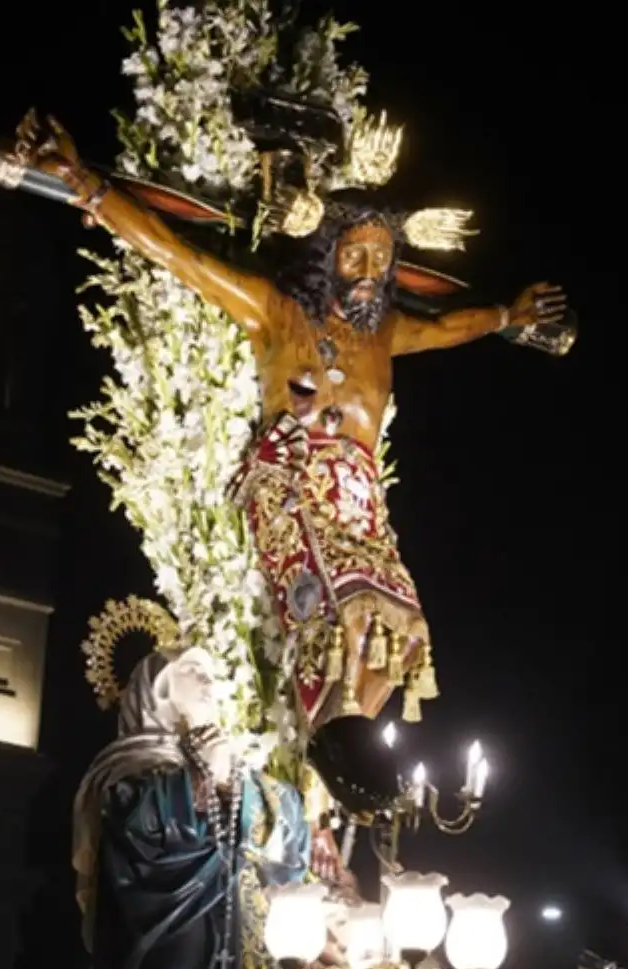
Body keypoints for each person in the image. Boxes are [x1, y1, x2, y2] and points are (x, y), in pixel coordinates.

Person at [29, 116, 567, 727]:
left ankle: (339, 748)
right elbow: (176, 254)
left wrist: (506, 314)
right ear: (327, 255)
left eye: (381, 259)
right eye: (355, 254)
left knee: (405, 633)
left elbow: (449, 327)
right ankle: (320, 736)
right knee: (345, 615)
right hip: (292, 482)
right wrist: (82, 181)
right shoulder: (277, 313)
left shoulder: (385, 334)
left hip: (362, 509)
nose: (368, 271)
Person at [74, 646, 331, 969]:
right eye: (194, 671)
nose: (211, 683)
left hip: (237, 948)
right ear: (159, 687)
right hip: (165, 938)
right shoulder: (130, 765)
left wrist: (236, 780)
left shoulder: (236, 765)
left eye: (214, 673)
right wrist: (200, 777)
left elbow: (282, 833)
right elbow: (139, 834)